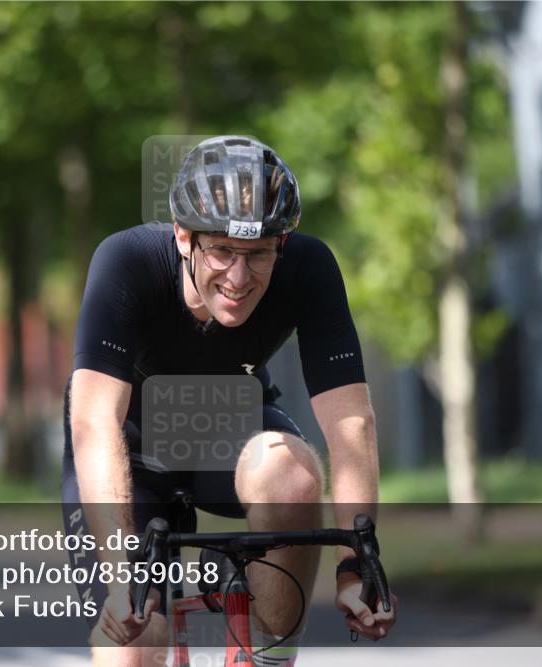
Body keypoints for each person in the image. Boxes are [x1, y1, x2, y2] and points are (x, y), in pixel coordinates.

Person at [61, 136, 397, 667]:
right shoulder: (126, 261)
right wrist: (121, 577)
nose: (239, 279)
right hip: (129, 452)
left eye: (258, 253)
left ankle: (267, 659)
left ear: (280, 246)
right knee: (132, 650)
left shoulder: (309, 268)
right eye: (221, 250)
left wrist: (357, 568)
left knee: (292, 476)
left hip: (228, 429)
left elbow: (351, 423)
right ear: (183, 236)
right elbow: (95, 421)